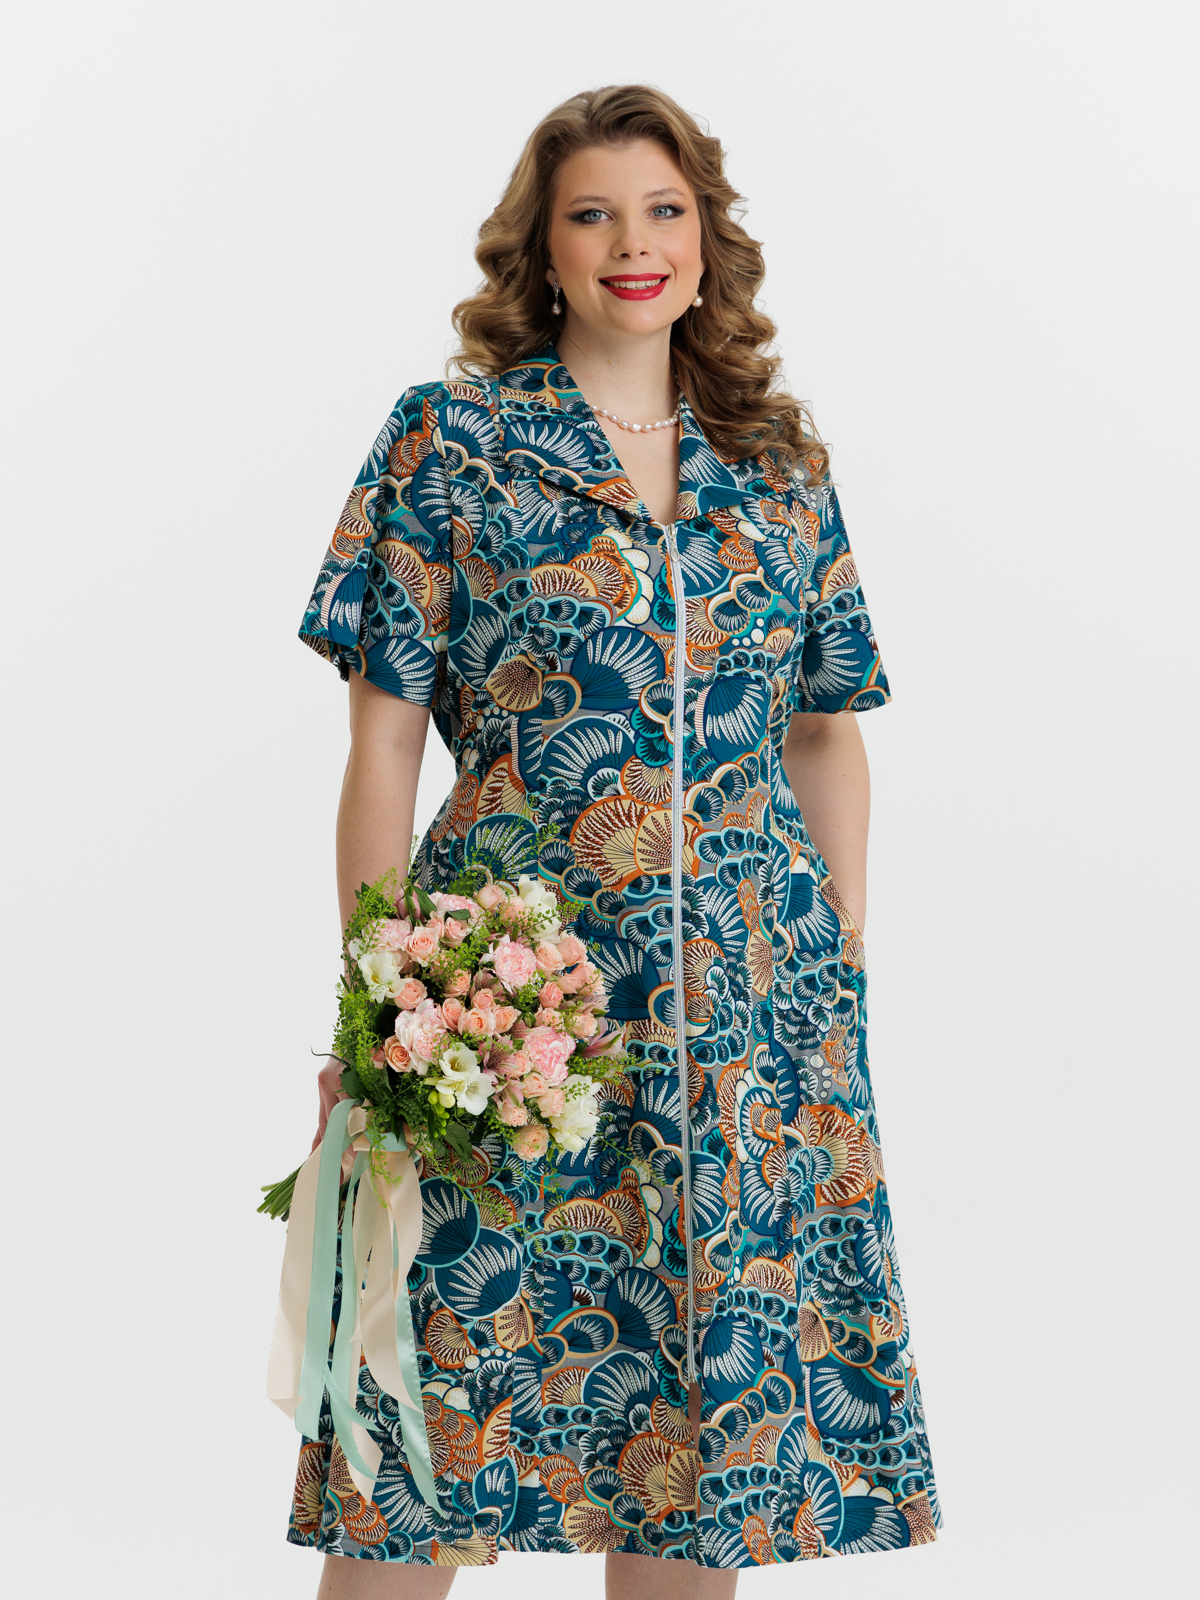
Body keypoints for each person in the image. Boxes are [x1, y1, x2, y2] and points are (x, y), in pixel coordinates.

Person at [291, 84, 939, 1598]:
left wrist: (836, 961)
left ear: (707, 244)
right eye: (592, 214)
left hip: (742, 1028)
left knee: (697, 1458)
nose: (632, 243)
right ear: (545, 249)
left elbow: (827, 727)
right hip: (513, 1013)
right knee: (423, 1440)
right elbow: (384, 742)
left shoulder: (776, 466)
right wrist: (383, 997)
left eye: (663, 211)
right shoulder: (450, 442)